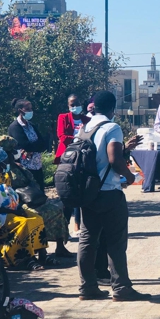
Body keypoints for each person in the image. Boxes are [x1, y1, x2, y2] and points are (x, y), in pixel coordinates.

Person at [77, 90, 150, 301]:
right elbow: (114, 159)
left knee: (87, 240)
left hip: (88, 193)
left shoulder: (84, 128)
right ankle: (121, 288)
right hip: (109, 192)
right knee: (115, 241)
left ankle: (87, 287)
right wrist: (129, 177)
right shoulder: (112, 127)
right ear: (112, 108)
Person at [0, 135, 72, 259]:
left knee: (56, 210)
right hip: (18, 203)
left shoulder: (19, 167)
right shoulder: (1, 171)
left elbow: (33, 182)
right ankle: (39, 252)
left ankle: (60, 247)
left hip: (31, 199)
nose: (16, 153)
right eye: (12, 151)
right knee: (36, 215)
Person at [0, 147, 48, 271]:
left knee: (36, 218)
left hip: (8, 209)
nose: (6, 166)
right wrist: (13, 211)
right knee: (22, 223)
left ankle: (42, 254)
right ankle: (23, 259)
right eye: (3, 164)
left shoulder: (3, 175)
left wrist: (18, 208)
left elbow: (8, 194)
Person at [55, 94, 91, 235]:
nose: (75, 106)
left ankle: (80, 225)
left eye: (77, 103)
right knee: (68, 193)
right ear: (68, 106)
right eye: (72, 104)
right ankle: (65, 229)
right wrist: (79, 137)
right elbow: (62, 136)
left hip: (82, 160)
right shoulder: (63, 118)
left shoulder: (87, 120)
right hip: (67, 159)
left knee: (81, 191)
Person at [8, 98, 47, 192]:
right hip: (25, 168)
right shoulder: (15, 127)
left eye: (31, 109)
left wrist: (32, 148)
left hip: (37, 164)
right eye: (28, 109)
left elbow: (43, 143)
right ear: (20, 110)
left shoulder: (31, 125)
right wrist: (33, 146)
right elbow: (26, 145)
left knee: (40, 191)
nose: (31, 111)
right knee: (31, 194)